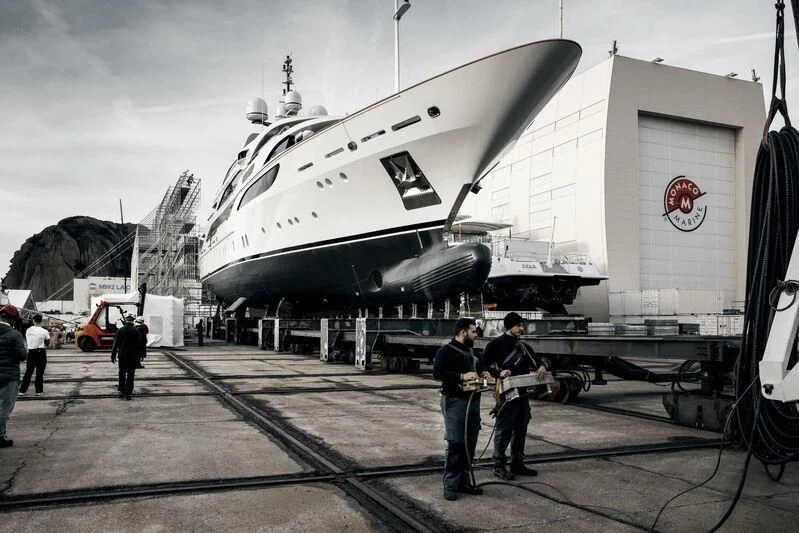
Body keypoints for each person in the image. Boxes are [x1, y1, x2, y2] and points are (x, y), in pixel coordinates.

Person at [482, 312, 547, 480]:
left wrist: (541, 367)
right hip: (505, 393)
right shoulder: (495, 345)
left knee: (520, 427)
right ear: (510, 326)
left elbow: (537, 361)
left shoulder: (523, 346)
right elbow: (482, 365)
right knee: (504, 429)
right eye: (518, 325)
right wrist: (498, 372)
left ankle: (517, 463)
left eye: (522, 325)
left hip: (523, 394)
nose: (521, 328)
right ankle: (499, 465)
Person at [433, 317, 490, 501]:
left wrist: (485, 372)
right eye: (473, 331)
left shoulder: (471, 352)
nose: (476, 335)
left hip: (473, 401)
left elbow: (480, 368)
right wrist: (461, 376)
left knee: (469, 443)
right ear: (463, 332)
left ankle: (463, 482)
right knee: (456, 443)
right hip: (455, 401)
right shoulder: (446, 351)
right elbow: (437, 373)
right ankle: (450, 485)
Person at [0, 305, 27, 448]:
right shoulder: (14, 334)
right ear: (11, 320)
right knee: (4, 407)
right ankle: (0, 436)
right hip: (8, 377)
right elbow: (22, 356)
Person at [111, 314, 141, 401]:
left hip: (122, 356)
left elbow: (115, 343)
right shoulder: (136, 331)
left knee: (122, 373)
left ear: (126, 320)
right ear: (133, 321)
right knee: (130, 375)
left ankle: (121, 390)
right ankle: (128, 393)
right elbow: (138, 345)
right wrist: (139, 357)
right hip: (132, 356)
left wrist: (113, 355)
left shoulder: (120, 330)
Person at [19, 314, 50, 397]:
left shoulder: (28, 330)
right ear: (41, 321)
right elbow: (47, 342)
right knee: (39, 373)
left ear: (33, 320)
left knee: (28, 372)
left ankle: (22, 391)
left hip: (31, 352)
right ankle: (38, 391)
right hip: (41, 352)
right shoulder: (44, 331)